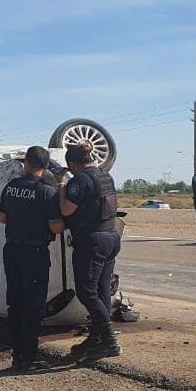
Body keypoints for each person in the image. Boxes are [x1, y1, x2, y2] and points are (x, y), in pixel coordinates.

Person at [0, 146, 65, 371]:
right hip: (34, 253)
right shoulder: (48, 192)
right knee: (34, 305)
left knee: (15, 302)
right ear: (45, 167)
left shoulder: (10, 188)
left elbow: (2, 218)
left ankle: (17, 354)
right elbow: (55, 228)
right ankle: (29, 356)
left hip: (12, 250)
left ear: (26, 163)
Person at [60, 142, 122, 361]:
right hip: (111, 237)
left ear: (72, 164)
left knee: (87, 292)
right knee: (102, 291)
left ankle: (109, 339)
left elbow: (66, 209)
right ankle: (97, 338)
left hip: (92, 240)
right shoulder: (106, 176)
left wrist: (62, 189)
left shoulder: (80, 180)